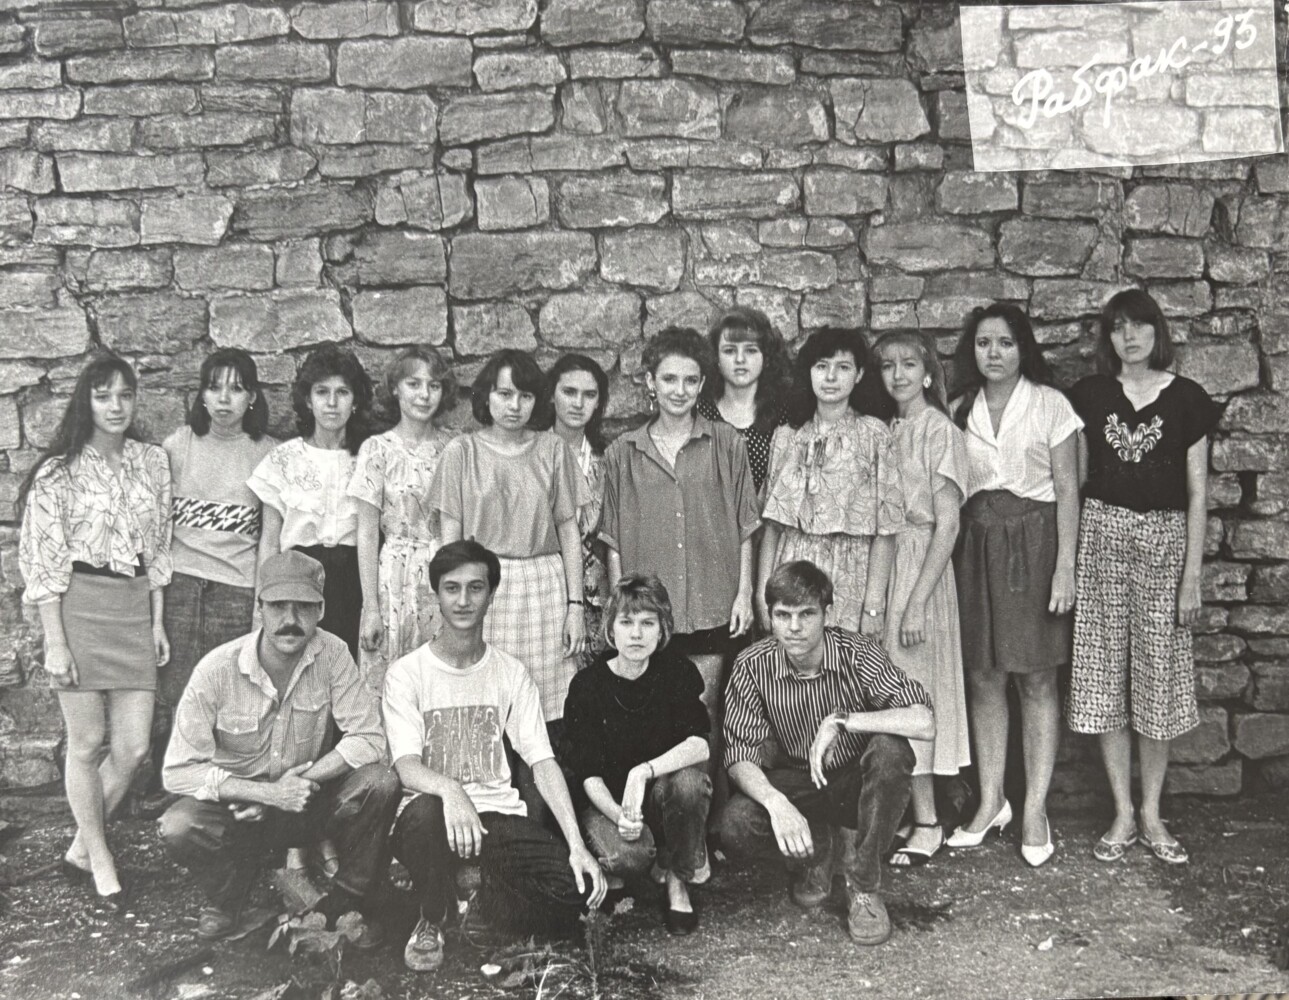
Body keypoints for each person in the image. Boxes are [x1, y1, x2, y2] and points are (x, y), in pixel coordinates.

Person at [384, 540, 607, 973]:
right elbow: (406, 766)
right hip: (432, 817)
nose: (463, 601)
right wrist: (452, 791)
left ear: (491, 595)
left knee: (576, 888)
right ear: (436, 594)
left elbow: (542, 761)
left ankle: (481, 905)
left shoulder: (510, 671)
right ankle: (433, 917)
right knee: (422, 817)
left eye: (475, 588)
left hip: (496, 818)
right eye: (451, 588)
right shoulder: (407, 673)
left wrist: (577, 846)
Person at [158, 550, 398, 942]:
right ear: (260, 609)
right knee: (179, 825)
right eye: (278, 606)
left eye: (303, 606)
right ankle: (229, 897)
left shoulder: (333, 654)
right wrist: (264, 794)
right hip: (241, 809)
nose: (290, 619)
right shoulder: (217, 669)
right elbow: (177, 771)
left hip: (306, 801)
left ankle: (347, 900)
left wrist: (300, 784)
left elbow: (369, 738)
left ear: (321, 610)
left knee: (380, 782)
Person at [1067, 289, 1218, 866]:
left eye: (1139, 325)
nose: (1129, 337)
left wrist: (1191, 577)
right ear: (1108, 337)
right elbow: (1078, 480)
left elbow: (1198, 493)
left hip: (1164, 539)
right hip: (1102, 537)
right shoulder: (1090, 395)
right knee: (1104, 676)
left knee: (1158, 680)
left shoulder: (1187, 399)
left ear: (1158, 331)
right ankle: (1123, 812)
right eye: (1118, 327)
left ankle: (1153, 813)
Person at [18, 353, 172, 908]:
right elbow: (42, 562)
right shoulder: (57, 472)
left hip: (133, 607)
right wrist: (56, 643)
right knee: (85, 743)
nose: (116, 406)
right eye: (104, 396)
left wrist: (156, 621)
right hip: (79, 608)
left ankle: (83, 844)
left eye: (125, 395)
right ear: (86, 401)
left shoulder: (152, 462)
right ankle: (101, 857)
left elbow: (159, 548)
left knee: (132, 748)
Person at [715, 560, 933, 946]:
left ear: (826, 613)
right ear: (770, 617)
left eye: (806, 614)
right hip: (798, 781)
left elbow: (924, 721)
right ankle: (817, 851)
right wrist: (777, 804)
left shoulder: (857, 653)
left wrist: (843, 721)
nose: (794, 627)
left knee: (891, 750)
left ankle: (863, 883)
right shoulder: (752, 665)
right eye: (783, 615)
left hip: (854, 782)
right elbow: (739, 755)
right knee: (737, 822)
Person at [947, 303, 1081, 868]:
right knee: (983, 676)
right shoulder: (960, 409)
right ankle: (991, 800)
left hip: (1035, 545)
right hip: (976, 548)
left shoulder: (1050, 404)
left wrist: (1065, 567)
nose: (994, 353)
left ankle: (1034, 809)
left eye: (1004, 342)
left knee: (1036, 678)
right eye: (983, 343)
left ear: (1022, 348)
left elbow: (1069, 489)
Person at [600, 326, 760, 752]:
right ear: (650, 382)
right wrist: (621, 608)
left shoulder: (727, 443)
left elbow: (746, 525)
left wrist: (744, 594)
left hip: (712, 603)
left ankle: (701, 796)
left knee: (705, 712)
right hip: (648, 611)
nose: (679, 390)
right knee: (649, 713)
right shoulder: (622, 453)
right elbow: (612, 540)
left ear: (702, 384)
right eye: (669, 379)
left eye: (690, 380)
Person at [426, 349, 587, 734]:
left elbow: (569, 532)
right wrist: (455, 601)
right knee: (484, 702)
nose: (515, 406)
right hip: (483, 585)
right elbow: (450, 543)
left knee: (545, 711)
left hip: (542, 588)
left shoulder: (553, 450)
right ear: (486, 396)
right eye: (504, 394)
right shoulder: (461, 452)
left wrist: (575, 607)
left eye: (525, 396)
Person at [149, 348, 275, 805]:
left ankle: (216, 789)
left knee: (225, 690)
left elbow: (268, 539)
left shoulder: (268, 453)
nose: (224, 398)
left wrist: (261, 604)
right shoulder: (177, 446)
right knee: (174, 689)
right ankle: (167, 784)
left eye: (237, 389)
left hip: (236, 591)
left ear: (252, 397)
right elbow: (158, 532)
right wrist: (157, 611)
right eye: (215, 386)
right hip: (181, 586)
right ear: (201, 394)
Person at [561, 574, 712, 935]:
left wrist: (643, 771)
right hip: (607, 803)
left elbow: (700, 744)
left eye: (648, 623)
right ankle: (627, 865)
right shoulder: (588, 685)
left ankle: (677, 878)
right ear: (611, 630)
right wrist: (619, 815)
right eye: (626, 622)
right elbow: (588, 773)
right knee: (629, 855)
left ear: (662, 631)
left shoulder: (675, 671)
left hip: (658, 796)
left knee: (690, 784)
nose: (636, 634)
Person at [873, 331, 970, 866]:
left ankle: (930, 822)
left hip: (922, 571)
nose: (899, 375)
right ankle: (911, 813)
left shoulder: (939, 430)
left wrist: (915, 603)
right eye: (888, 365)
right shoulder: (889, 429)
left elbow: (948, 525)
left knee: (918, 692)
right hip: (889, 563)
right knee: (892, 690)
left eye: (910, 364)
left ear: (929, 372)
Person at [757, 327, 904, 636]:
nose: (831, 377)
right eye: (822, 366)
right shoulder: (787, 436)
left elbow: (887, 530)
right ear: (809, 372)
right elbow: (772, 527)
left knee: (842, 661)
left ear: (859, 374)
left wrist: (873, 605)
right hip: (791, 568)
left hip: (850, 576)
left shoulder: (875, 436)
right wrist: (761, 593)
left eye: (843, 367)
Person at [248, 343, 373, 661]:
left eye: (342, 392)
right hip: (295, 579)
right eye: (321, 392)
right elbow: (269, 541)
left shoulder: (369, 458)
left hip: (351, 581)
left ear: (355, 401)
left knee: (344, 668)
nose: (332, 403)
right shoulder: (284, 459)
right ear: (307, 399)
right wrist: (261, 607)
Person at [350, 345, 456, 701]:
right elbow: (367, 533)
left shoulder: (452, 448)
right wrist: (370, 608)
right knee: (387, 683)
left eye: (434, 385)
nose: (424, 395)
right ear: (395, 388)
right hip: (391, 577)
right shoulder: (377, 449)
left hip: (439, 572)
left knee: (436, 682)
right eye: (414, 384)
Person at [540, 353, 611, 668]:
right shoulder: (530, 453)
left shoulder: (607, 461)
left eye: (589, 395)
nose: (578, 403)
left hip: (594, 595)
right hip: (543, 588)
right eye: (569, 392)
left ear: (598, 403)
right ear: (551, 395)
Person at [698, 305, 793, 492]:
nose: (740, 359)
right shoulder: (701, 412)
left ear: (765, 358)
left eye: (750, 350)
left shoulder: (782, 415)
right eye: (729, 351)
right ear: (716, 358)